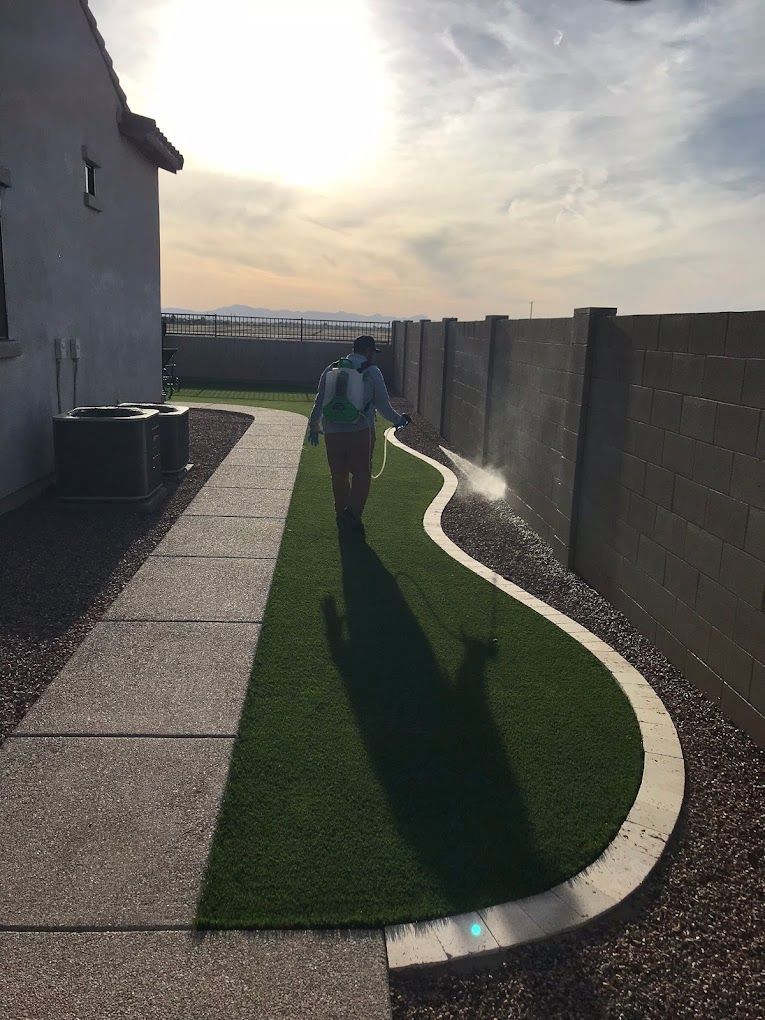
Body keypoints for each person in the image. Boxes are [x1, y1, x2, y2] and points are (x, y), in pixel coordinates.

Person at [307, 334, 410, 534]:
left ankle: (340, 514)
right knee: (362, 473)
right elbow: (383, 406)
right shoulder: (372, 371)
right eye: (373, 352)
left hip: (332, 430)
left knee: (338, 474)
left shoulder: (332, 368)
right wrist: (399, 421)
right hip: (360, 429)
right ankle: (352, 514)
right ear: (368, 351)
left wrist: (313, 425)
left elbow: (320, 400)